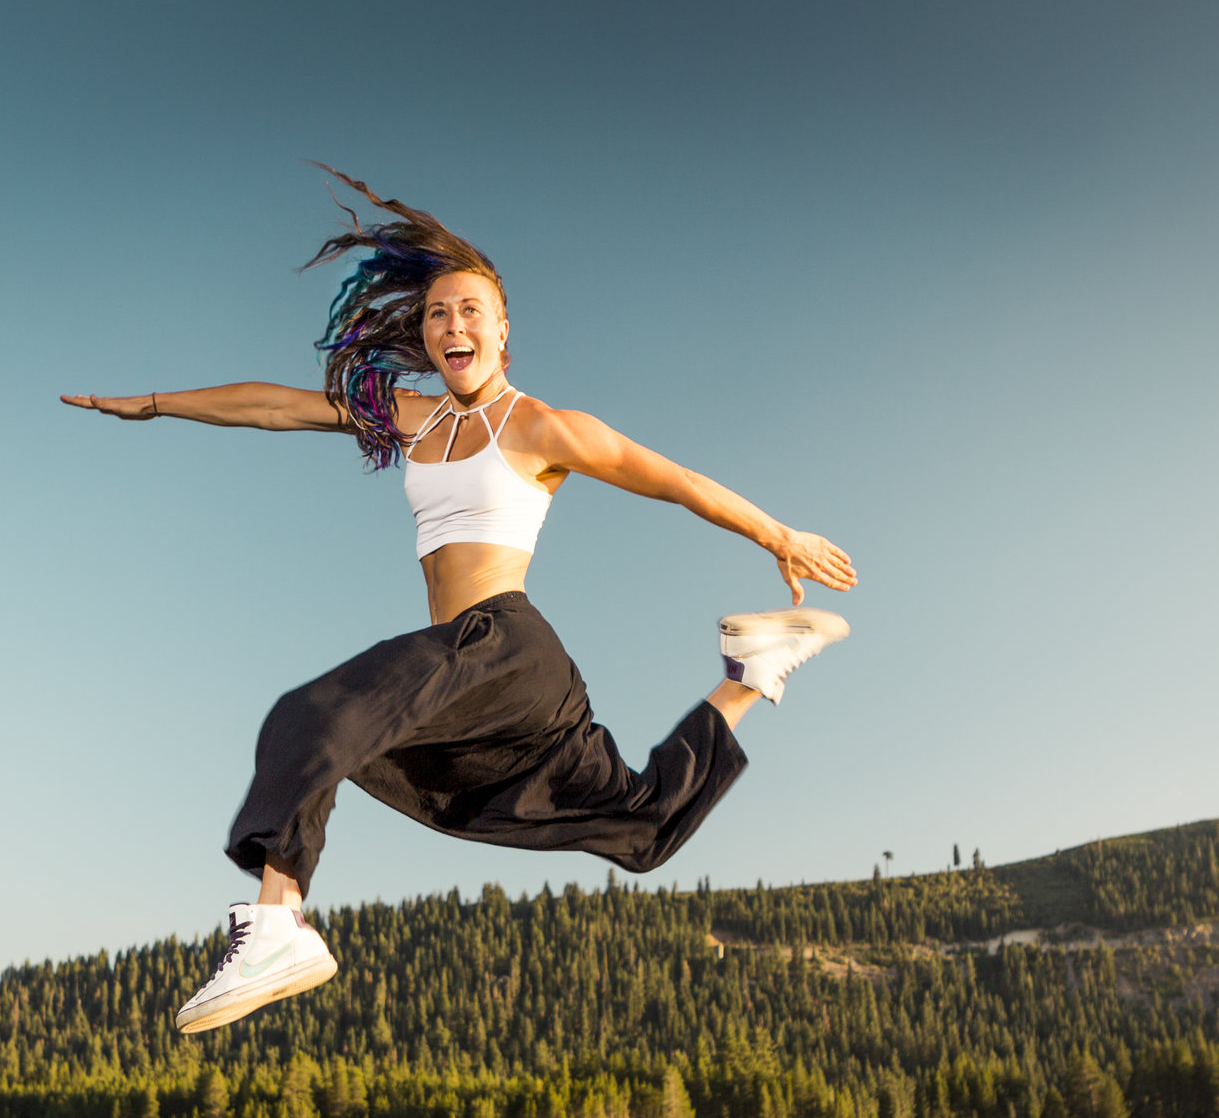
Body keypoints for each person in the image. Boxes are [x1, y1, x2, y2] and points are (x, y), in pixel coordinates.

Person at [64, 172, 856, 1034]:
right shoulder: (413, 418)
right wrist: (148, 405)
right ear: (426, 334)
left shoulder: (542, 426)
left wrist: (778, 534)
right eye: (439, 313)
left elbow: (676, 481)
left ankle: (278, 923)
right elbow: (272, 406)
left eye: (471, 310)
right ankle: (751, 671)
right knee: (643, 827)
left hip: (507, 649)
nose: (453, 325)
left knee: (311, 718)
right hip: (471, 676)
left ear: (503, 331)